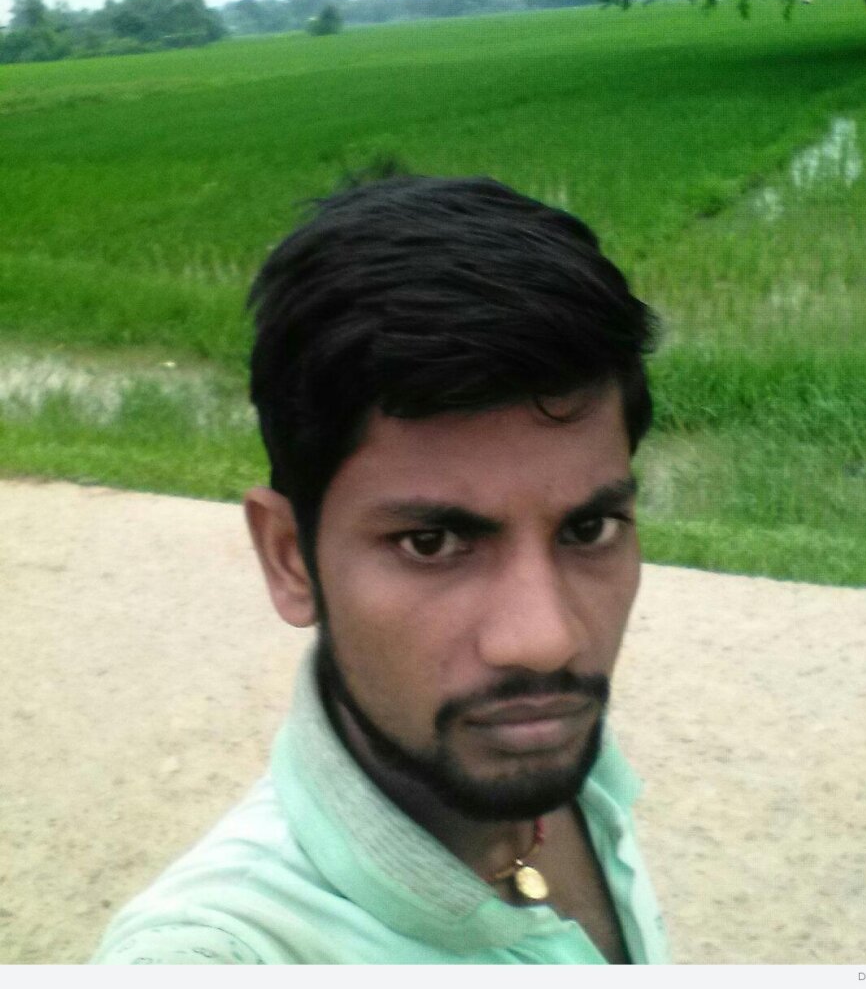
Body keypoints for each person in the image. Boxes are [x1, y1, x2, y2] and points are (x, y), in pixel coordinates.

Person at [91, 176, 671, 965]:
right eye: (432, 543)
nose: (545, 641)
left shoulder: (568, 765)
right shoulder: (218, 952)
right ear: (290, 558)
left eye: (589, 529)